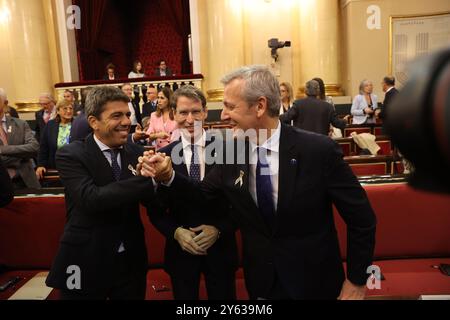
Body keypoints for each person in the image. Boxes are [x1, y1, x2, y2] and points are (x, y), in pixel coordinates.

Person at [143, 66, 377, 300]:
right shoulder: (230, 154)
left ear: (260, 106)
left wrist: (357, 280)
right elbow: (201, 196)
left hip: (315, 284)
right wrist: (168, 176)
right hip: (262, 285)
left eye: (230, 106)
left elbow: (362, 219)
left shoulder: (319, 151)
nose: (223, 115)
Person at [45, 86, 159, 300]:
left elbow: (155, 203)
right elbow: (91, 198)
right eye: (116, 116)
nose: (126, 122)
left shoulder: (136, 152)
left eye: (127, 114)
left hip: (130, 261)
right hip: (84, 258)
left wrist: (164, 177)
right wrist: (149, 181)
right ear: (93, 122)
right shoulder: (71, 154)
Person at [148, 85, 238, 300]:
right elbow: (155, 209)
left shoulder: (230, 150)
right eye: (183, 112)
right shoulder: (161, 157)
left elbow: (243, 204)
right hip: (181, 252)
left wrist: (219, 229)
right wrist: (176, 232)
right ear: (173, 114)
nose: (190, 119)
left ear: (205, 112)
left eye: (196, 111)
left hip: (221, 250)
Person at [0, 88, 40, 190]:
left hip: (27, 182)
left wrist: (2, 150)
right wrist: (21, 157)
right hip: (2, 186)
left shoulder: (20, 124)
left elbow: (34, 148)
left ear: (5, 103)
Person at [281, 80, 347, 136]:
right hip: (321, 143)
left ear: (305, 91)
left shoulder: (298, 104)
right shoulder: (328, 106)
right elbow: (338, 123)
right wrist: (345, 121)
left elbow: (286, 118)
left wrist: (274, 116)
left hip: (302, 143)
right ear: (318, 91)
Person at [36, 100, 74, 180]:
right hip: (55, 166)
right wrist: (41, 165)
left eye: (71, 108)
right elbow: (44, 147)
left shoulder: (77, 124)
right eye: (65, 108)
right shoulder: (50, 125)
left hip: (75, 166)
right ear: (58, 111)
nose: (69, 111)